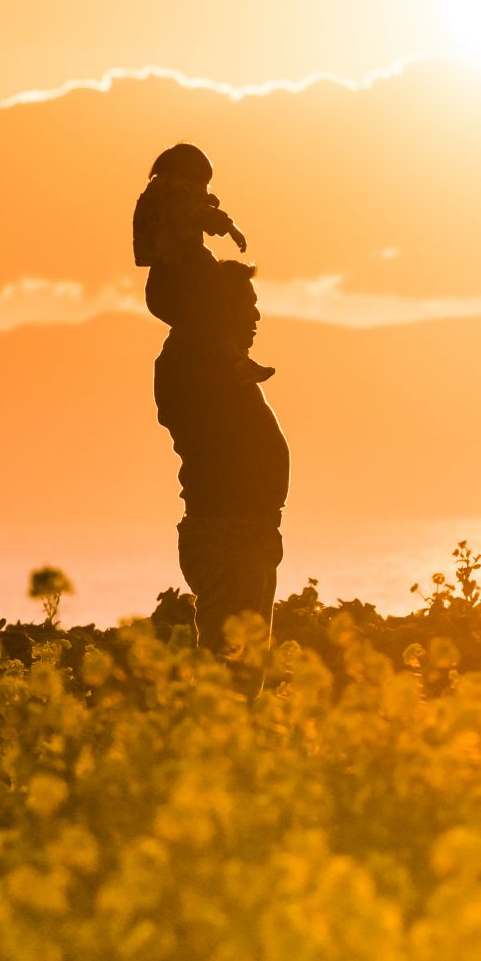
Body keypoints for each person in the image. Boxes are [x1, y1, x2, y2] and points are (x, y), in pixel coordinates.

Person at [152, 242, 290, 653]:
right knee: (231, 667)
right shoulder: (195, 360)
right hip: (229, 534)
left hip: (249, 531)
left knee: (243, 671)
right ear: (217, 311)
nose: (255, 316)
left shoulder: (218, 363)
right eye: (245, 306)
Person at [134, 142, 272, 378]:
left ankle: (233, 359)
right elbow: (195, 212)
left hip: (162, 275)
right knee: (216, 307)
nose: (204, 190)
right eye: (203, 183)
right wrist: (230, 227)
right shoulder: (179, 195)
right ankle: (236, 362)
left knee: (203, 318)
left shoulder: (158, 194)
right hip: (183, 264)